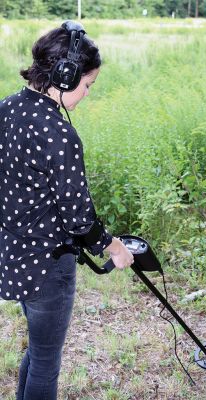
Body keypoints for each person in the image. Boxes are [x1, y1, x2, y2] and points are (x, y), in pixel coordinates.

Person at [0, 20, 134, 400]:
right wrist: (114, 248)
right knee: (45, 362)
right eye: (88, 84)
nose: (88, 93)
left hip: (12, 252)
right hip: (47, 265)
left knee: (37, 350)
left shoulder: (7, 107)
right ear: (64, 74)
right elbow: (79, 218)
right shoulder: (60, 134)